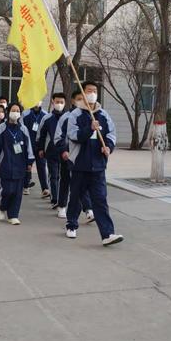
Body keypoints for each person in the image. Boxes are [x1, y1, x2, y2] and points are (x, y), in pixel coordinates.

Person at [66, 81, 123, 246]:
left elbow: (111, 133)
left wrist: (109, 147)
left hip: (98, 165)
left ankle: (107, 234)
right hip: (80, 164)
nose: (92, 93)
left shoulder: (103, 114)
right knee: (76, 196)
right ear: (83, 93)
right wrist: (89, 129)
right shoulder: (75, 115)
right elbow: (73, 135)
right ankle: (71, 224)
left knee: (100, 199)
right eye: (89, 90)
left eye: (95, 91)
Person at [0, 102, 34, 225]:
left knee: (17, 192)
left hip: (20, 165)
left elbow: (28, 147)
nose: (15, 113)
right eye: (13, 110)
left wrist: (30, 161)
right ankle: (2, 207)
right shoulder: (2, 128)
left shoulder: (23, 129)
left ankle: (13, 215)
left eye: (18, 111)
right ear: (8, 112)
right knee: (7, 191)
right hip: (5, 165)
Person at [54, 90, 95, 224]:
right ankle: (62, 205)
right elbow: (59, 137)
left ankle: (88, 209)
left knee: (82, 183)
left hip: (84, 156)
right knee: (65, 180)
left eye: (83, 98)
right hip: (68, 156)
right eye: (78, 99)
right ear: (72, 101)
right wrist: (64, 150)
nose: (81, 101)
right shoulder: (66, 117)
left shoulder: (90, 116)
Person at [37, 92, 68, 218]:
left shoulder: (68, 117)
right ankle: (55, 199)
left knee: (64, 177)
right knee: (53, 175)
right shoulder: (47, 118)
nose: (59, 104)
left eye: (61, 102)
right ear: (52, 102)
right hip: (51, 151)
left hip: (65, 152)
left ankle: (62, 200)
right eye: (57, 102)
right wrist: (40, 148)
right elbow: (41, 135)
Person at [22, 102, 49, 197]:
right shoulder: (25, 114)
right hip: (28, 145)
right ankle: (26, 186)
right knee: (27, 166)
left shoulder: (45, 115)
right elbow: (22, 129)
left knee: (42, 166)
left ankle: (45, 188)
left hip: (39, 146)